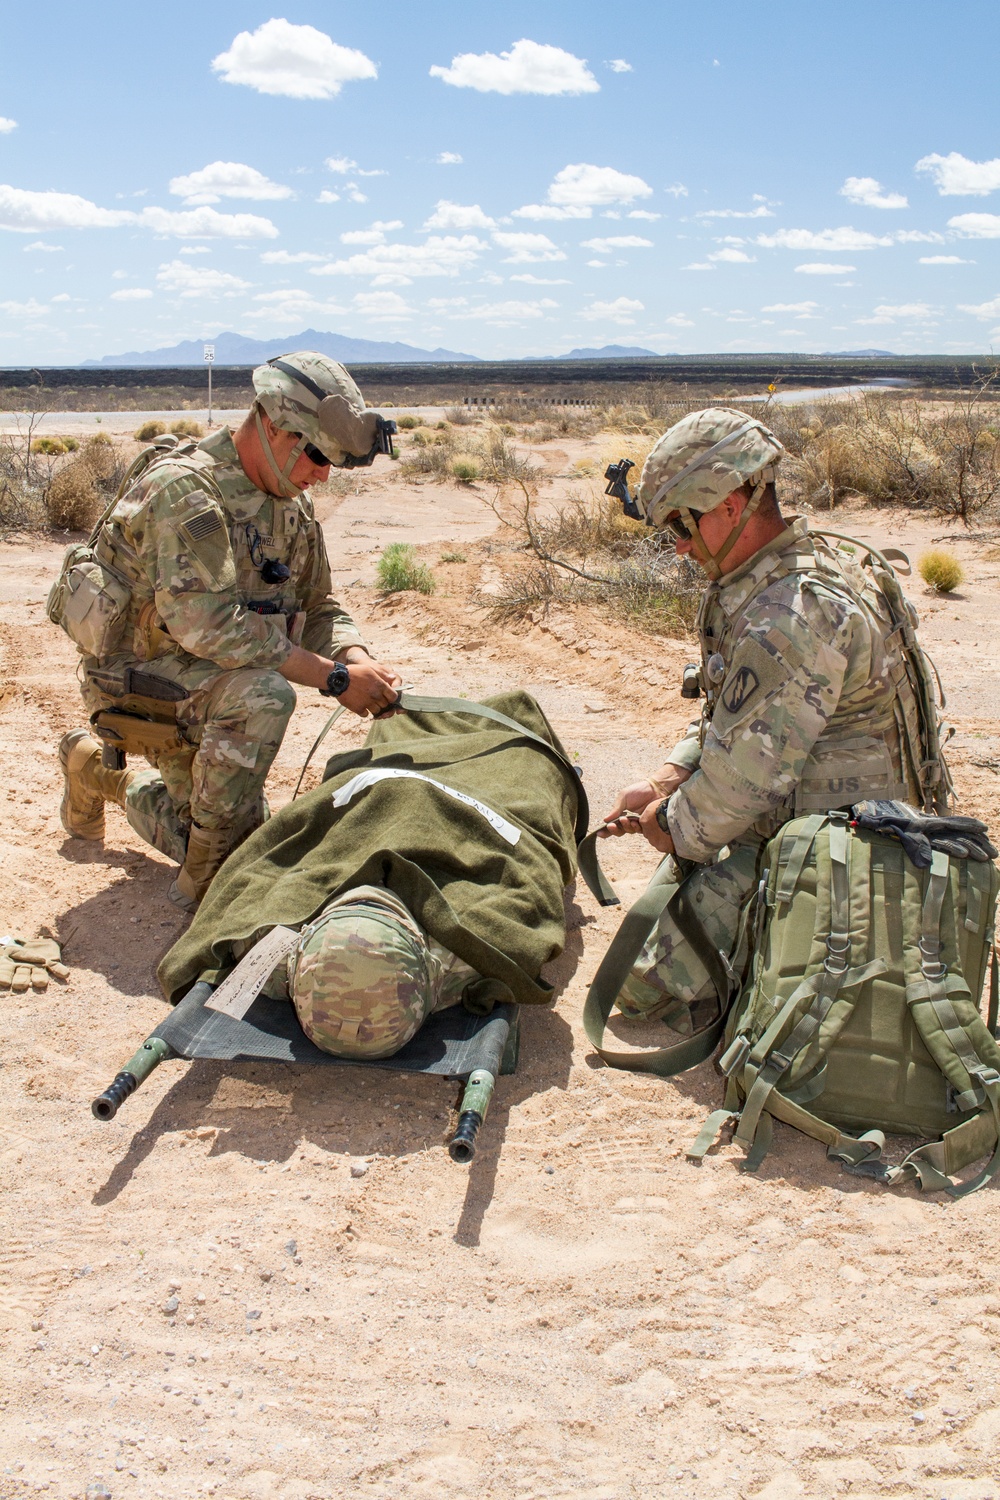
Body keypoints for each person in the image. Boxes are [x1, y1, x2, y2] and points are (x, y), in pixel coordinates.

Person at [600, 405, 948, 1021]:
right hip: (833, 832)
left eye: (683, 526)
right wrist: (668, 779)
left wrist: (671, 825)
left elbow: (740, 785)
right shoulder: (797, 569)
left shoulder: (788, 616)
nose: (679, 547)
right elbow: (734, 716)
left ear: (731, 504)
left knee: (635, 984)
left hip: (853, 862)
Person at [56, 351, 402, 911]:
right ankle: (211, 886)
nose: (322, 474)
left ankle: (94, 773)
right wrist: (334, 679)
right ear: (271, 425)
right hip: (138, 676)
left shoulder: (291, 507)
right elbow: (208, 625)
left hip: (212, 680)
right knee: (264, 698)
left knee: (254, 837)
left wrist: (354, 655)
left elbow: (318, 605)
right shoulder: (185, 491)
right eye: (315, 455)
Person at [157, 691, 586, 1058]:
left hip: (387, 780)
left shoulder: (263, 927)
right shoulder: (492, 932)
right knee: (520, 730)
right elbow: (532, 884)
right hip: (490, 776)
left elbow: (249, 880)